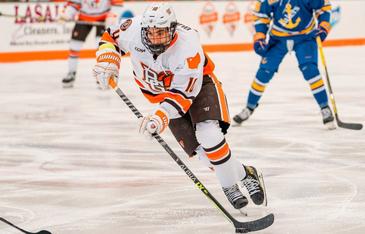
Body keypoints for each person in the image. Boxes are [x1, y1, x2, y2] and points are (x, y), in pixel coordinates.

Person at [93, 3, 266, 209]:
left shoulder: (188, 44)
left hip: (199, 86)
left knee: (209, 135)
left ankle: (228, 185)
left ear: (172, 29)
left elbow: (184, 94)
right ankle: (246, 173)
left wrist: (160, 116)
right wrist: (109, 60)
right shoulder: (133, 28)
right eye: (151, 33)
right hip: (162, 96)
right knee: (203, 155)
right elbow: (110, 38)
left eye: (161, 33)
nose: (155, 38)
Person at [233, 0, 336, 130]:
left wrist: (324, 26)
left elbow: (324, 7)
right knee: (264, 73)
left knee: (310, 70)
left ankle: (324, 107)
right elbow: (261, 15)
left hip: (304, 37)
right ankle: (249, 107)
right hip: (278, 40)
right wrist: (259, 37)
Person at [60, 0, 123, 88]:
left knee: (103, 48)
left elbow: (117, 3)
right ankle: (71, 72)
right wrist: (68, 13)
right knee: (74, 46)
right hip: (83, 17)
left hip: (103, 18)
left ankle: (104, 74)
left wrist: (112, 16)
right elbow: (74, 3)